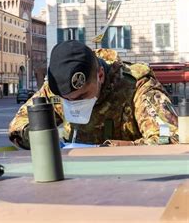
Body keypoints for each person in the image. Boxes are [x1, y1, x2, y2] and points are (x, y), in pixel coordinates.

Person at [9, 40, 178, 149]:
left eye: (82, 97)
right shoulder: (56, 90)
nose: (73, 103)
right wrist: (43, 140)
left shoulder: (137, 86)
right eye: (66, 100)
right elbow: (18, 126)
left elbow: (170, 138)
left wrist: (109, 150)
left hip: (130, 179)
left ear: (100, 76)